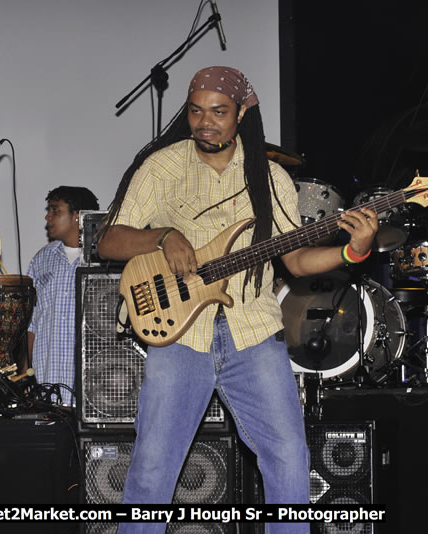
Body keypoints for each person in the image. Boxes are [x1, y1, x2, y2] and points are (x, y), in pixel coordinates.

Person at [97, 66, 378, 533]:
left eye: (219, 112)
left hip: (252, 330)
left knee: (289, 455)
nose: (205, 122)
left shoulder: (269, 178)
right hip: (179, 334)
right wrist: (163, 236)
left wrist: (354, 250)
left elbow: (297, 259)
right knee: (153, 466)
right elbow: (108, 241)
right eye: (196, 111)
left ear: (243, 112)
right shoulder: (162, 167)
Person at [26, 186, 100, 405]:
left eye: (55, 210)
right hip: (47, 385)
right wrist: (26, 376)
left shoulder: (104, 259)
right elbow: (31, 325)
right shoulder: (41, 260)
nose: (48, 217)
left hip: (94, 389)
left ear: (78, 216)